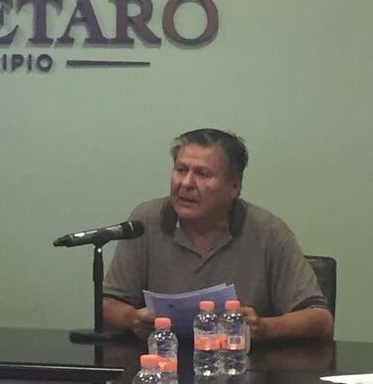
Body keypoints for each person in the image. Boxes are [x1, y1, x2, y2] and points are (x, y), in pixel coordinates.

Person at [102, 128, 333, 342]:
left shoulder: (268, 231)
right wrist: (133, 318)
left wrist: (263, 327)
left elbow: (320, 320)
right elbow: (107, 304)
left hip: (242, 369)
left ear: (234, 187)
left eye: (202, 174)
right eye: (181, 170)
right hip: (163, 366)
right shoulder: (146, 221)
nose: (186, 183)